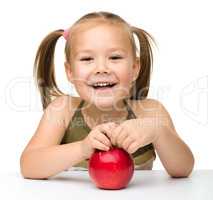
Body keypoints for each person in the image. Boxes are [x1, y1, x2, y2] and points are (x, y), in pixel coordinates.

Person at [20, 11, 194, 179]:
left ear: (134, 68)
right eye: (87, 59)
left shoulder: (150, 111)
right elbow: (28, 166)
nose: (101, 68)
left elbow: (183, 169)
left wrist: (158, 132)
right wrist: (82, 148)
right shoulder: (62, 110)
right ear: (69, 71)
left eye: (115, 57)